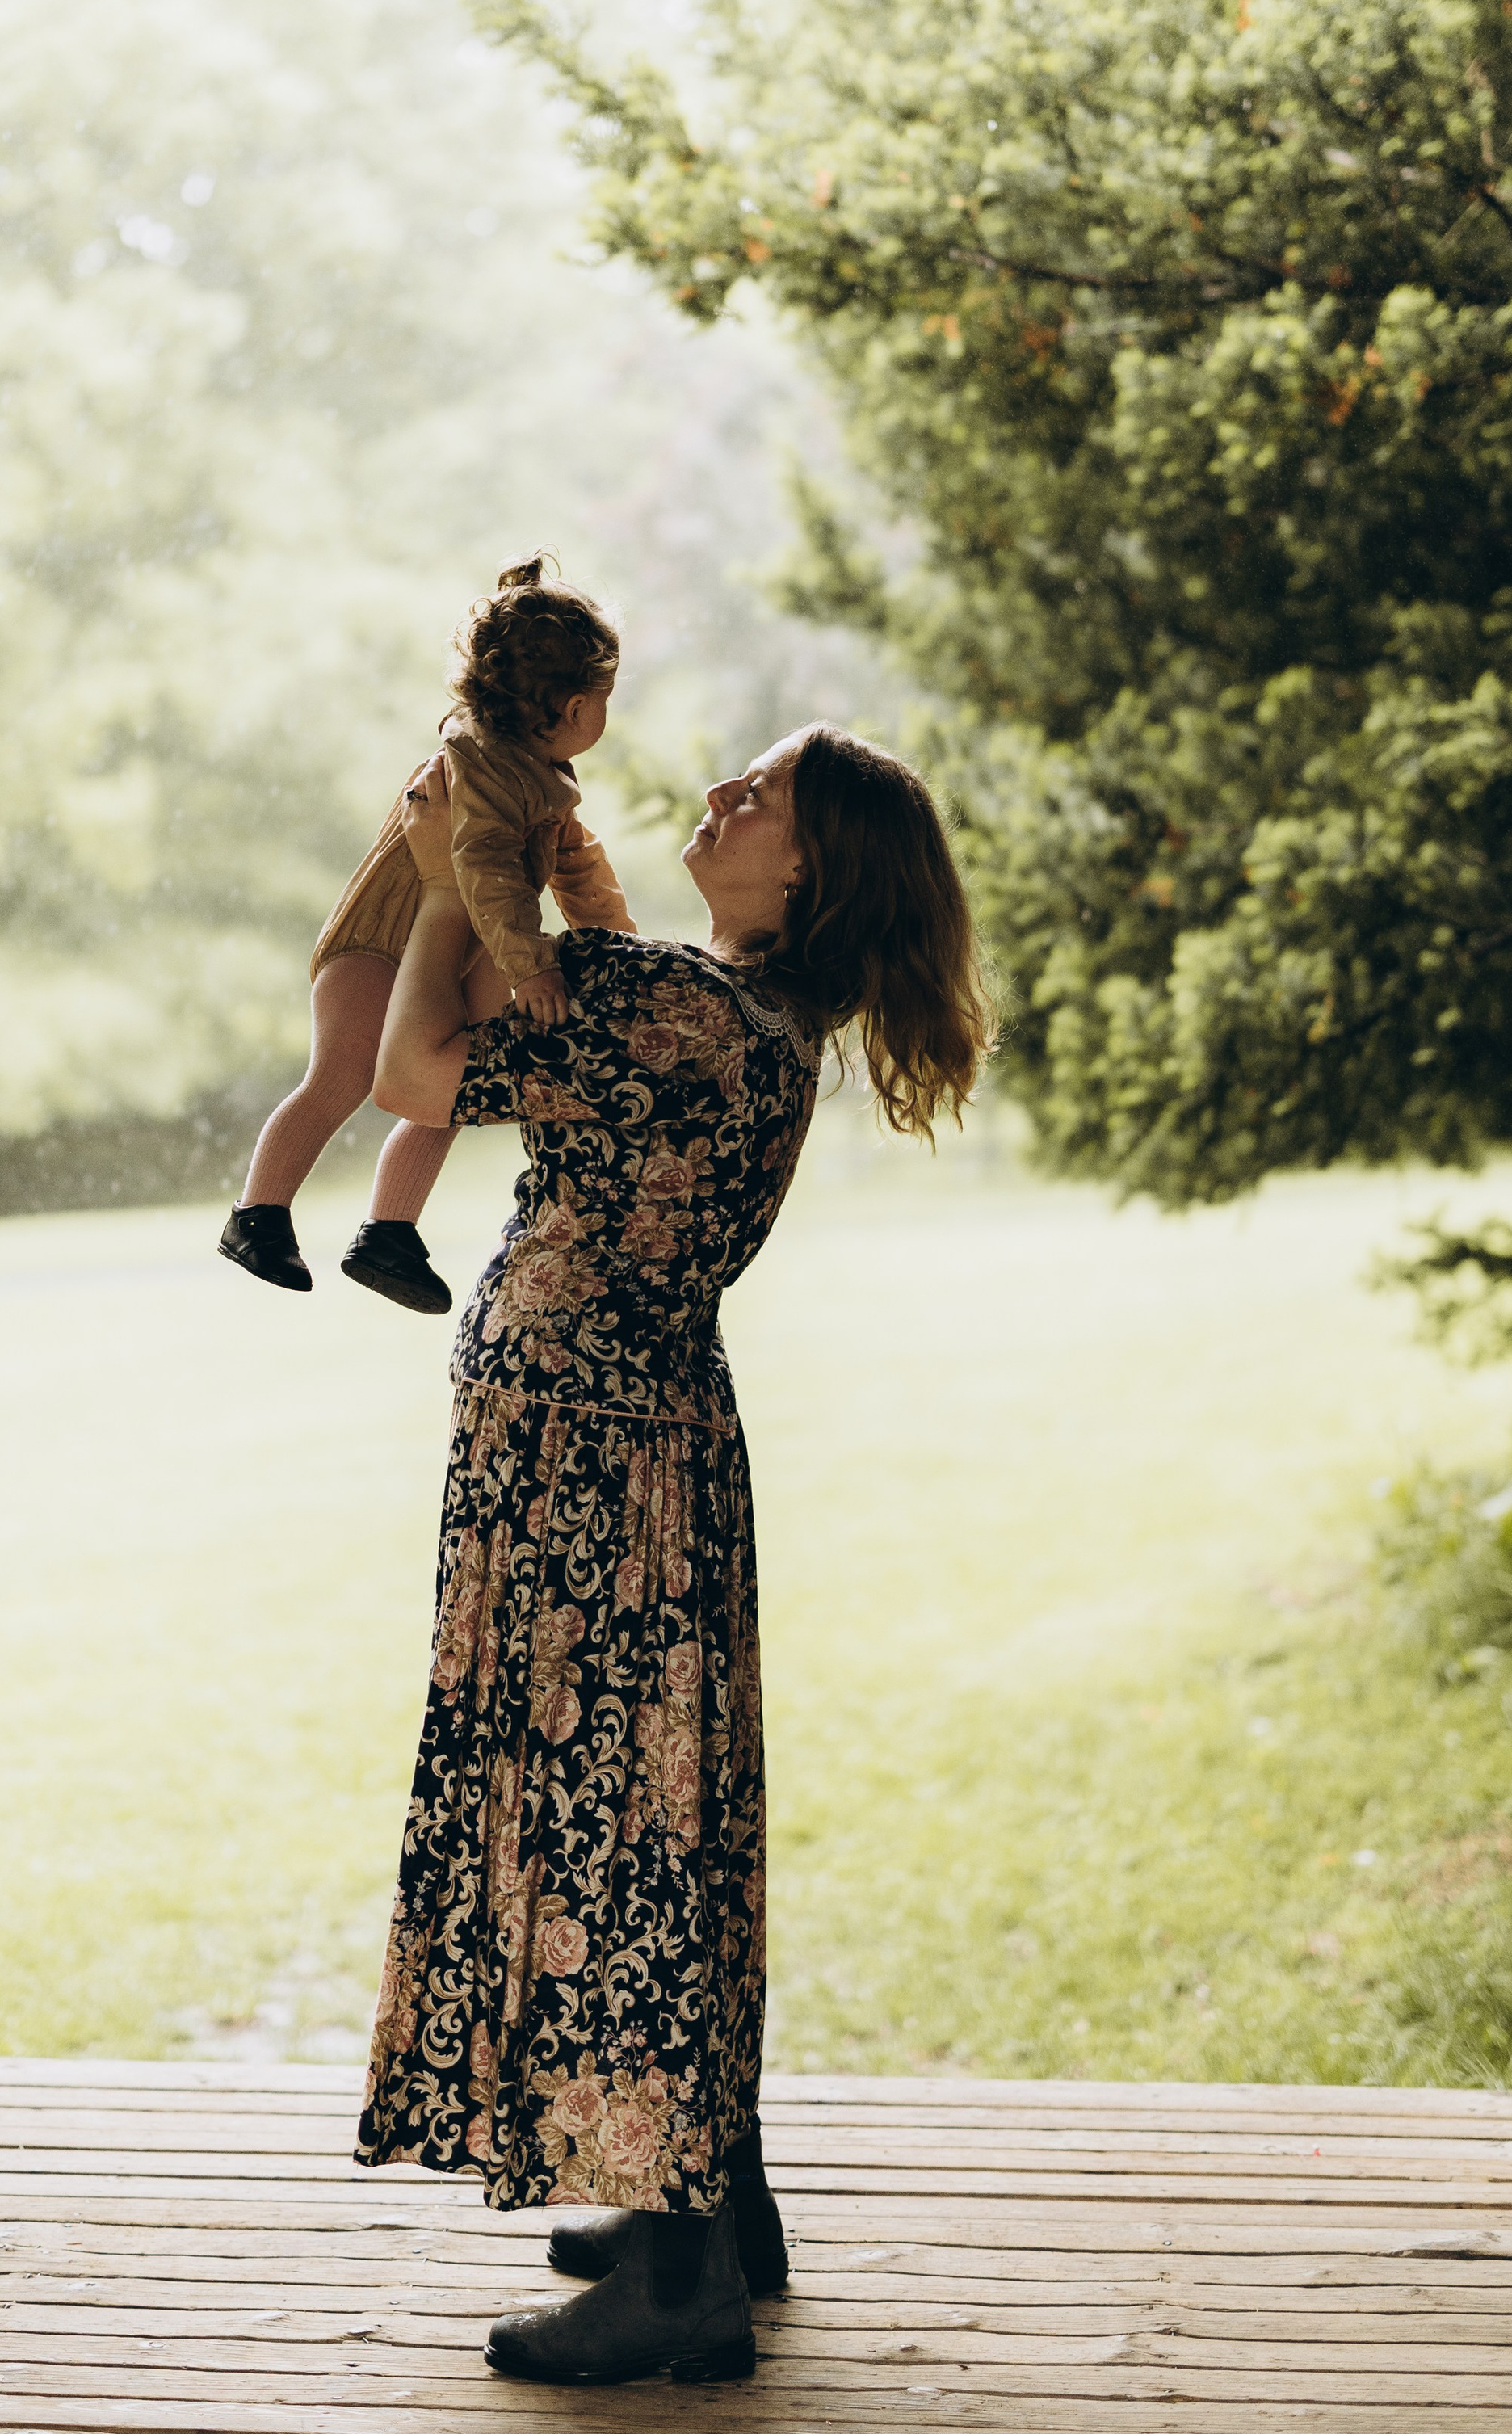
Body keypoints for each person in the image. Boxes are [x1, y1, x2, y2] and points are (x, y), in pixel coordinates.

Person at [353, 723, 995, 2385]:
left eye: (759, 795)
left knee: (604, 1826)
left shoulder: (672, 1007)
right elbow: (605, 1012)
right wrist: (552, 893)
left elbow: (415, 1073)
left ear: (808, 869)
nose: (723, 795)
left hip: (577, 1465)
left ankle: (685, 2275)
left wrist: (441, 882)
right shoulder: (746, 1015)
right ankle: (705, 2193)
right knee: (661, 1814)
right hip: (648, 1449)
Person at [219, 559, 635, 1315]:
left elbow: (579, 866)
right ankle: (258, 1214)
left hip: (457, 953)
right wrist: (531, 964)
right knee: (341, 1076)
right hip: (383, 942)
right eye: (606, 697)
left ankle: (390, 1233)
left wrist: (624, 951)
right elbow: (482, 870)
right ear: (574, 705)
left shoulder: (543, 778)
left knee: (450, 1091)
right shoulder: (479, 771)